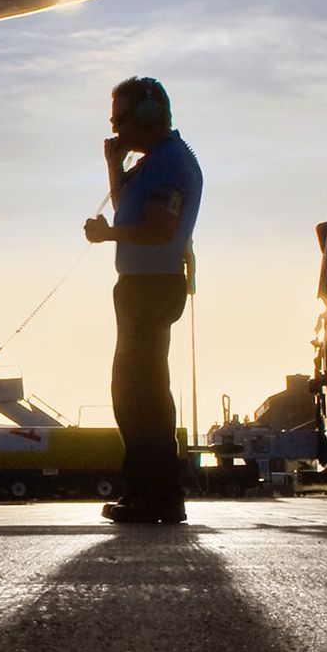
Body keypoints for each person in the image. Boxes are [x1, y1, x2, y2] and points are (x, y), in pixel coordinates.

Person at [83, 76, 202, 524]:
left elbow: (157, 230)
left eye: (121, 118)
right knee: (137, 392)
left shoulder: (169, 165)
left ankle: (158, 496)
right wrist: (114, 165)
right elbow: (126, 207)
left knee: (141, 396)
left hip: (150, 289)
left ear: (149, 116)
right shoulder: (155, 162)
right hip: (142, 287)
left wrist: (108, 235)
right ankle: (147, 493)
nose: (115, 128)